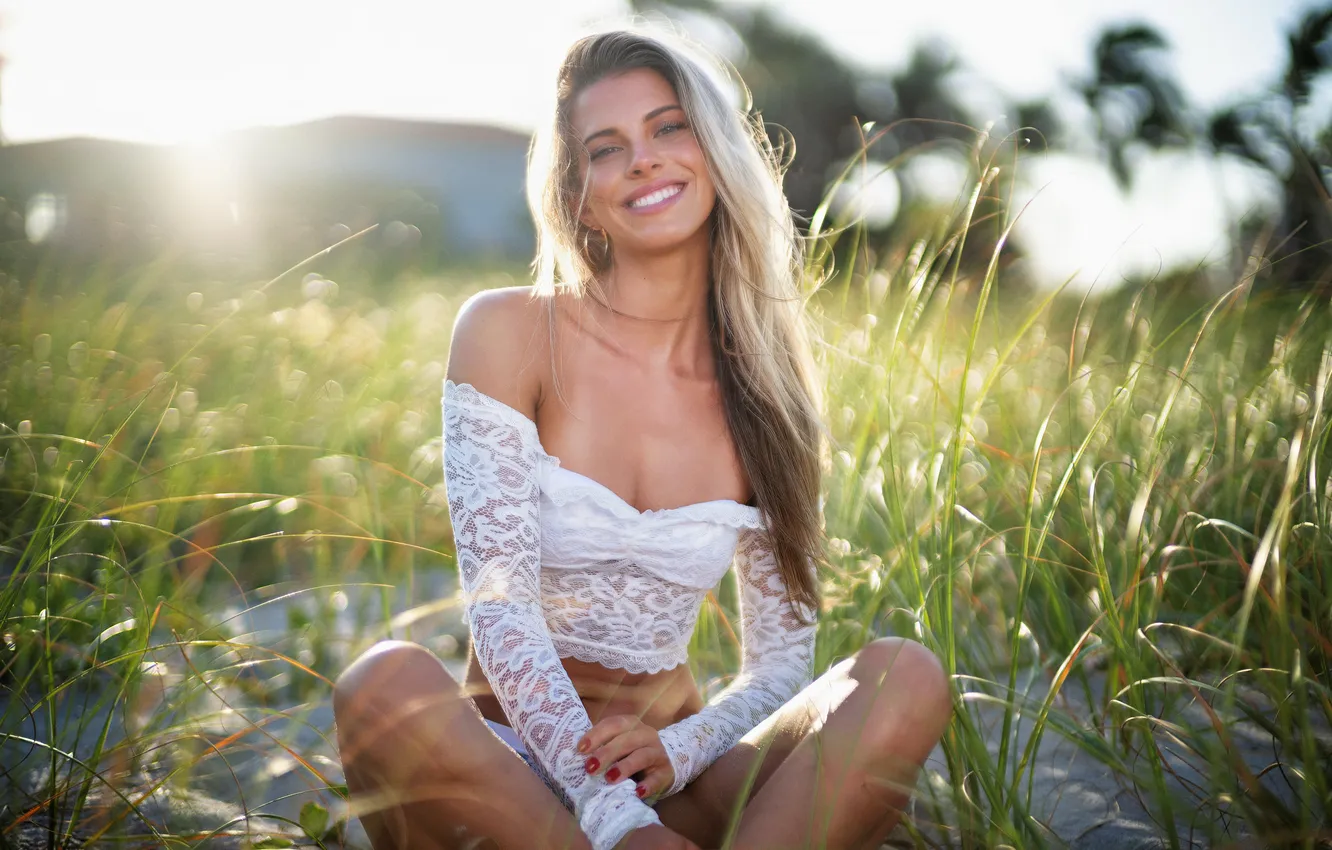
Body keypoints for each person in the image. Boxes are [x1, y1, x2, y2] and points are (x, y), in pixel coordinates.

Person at [332, 27, 952, 850]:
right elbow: (501, 614)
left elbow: (779, 664)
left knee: (903, 674)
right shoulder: (508, 331)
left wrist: (681, 750)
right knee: (382, 682)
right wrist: (615, 821)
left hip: (669, 783)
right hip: (508, 785)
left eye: (668, 128)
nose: (644, 160)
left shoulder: (771, 393)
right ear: (577, 196)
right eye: (606, 148)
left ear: (716, 152)